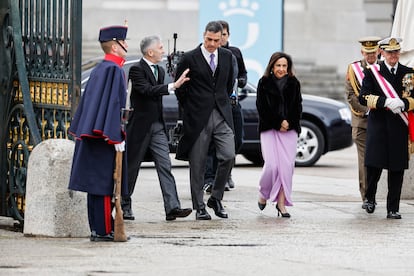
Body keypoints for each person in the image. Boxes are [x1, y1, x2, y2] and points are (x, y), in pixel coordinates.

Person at [68, 25, 129, 242]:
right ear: (115, 45)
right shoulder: (113, 69)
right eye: (124, 42)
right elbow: (113, 106)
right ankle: (103, 230)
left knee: (94, 183)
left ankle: (97, 228)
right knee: (103, 184)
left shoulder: (102, 68)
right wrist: (116, 136)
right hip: (104, 136)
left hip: (94, 133)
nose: (127, 46)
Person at [122, 35, 192, 221]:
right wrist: (172, 86)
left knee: (165, 165)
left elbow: (156, 93)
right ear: (150, 52)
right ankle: (124, 205)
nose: (163, 51)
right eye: (160, 48)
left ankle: (172, 207)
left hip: (157, 126)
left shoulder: (160, 70)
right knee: (132, 167)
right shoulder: (136, 70)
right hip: (139, 127)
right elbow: (146, 90)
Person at [174, 21, 235, 220]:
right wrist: (191, 108)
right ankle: (199, 206)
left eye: (216, 40)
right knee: (198, 164)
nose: (212, 44)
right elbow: (180, 87)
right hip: (197, 117)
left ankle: (215, 198)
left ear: (222, 39)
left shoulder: (227, 56)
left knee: (228, 155)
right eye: (209, 39)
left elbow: (228, 84)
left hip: (221, 115)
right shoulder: (189, 58)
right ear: (204, 35)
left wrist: (222, 104)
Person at [359, 37, 414, 219]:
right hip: (379, 124)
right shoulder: (373, 71)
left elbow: (413, 98)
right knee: (374, 165)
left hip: (399, 125)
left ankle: (393, 208)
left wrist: (404, 104)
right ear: (381, 52)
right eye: (390, 52)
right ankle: (370, 198)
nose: (393, 55)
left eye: (396, 51)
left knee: (397, 168)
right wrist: (385, 101)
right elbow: (363, 97)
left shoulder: (408, 73)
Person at [256, 52, 302, 218]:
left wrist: (289, 122)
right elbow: (262, 108)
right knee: (272, 166)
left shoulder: (294, 83)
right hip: (269, 129)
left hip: (289, 131)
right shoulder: (264, 83)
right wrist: (278, 122)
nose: (281, 69)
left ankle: (281, 204)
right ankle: (264, 193)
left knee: (286, 168)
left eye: (284, 66)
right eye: (278, 66)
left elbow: (298, 107)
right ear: (272, 67)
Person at [203, 20, 248, 192]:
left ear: (228, 35)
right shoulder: (205, 52)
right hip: (214, 106)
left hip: (233, 103)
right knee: (212, 143)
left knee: (236, 140)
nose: (219, 39)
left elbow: (242, 73)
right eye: (216, 36)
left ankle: (226, 172)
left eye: (223, 35)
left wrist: (242, 80)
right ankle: (210, 178)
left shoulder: (234, 53)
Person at [345, 36, 381, 209]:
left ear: (378, 51)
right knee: (365, 160)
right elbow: (351, 95)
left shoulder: (384, 68)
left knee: (380, 160)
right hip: (362, 122)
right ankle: (367, 197)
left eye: (373, 53)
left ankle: (375, 194)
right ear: (362, 52)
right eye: (367, 53)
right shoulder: (354, 69)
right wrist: (368, 110)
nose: (370, 56)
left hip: (383, 122)